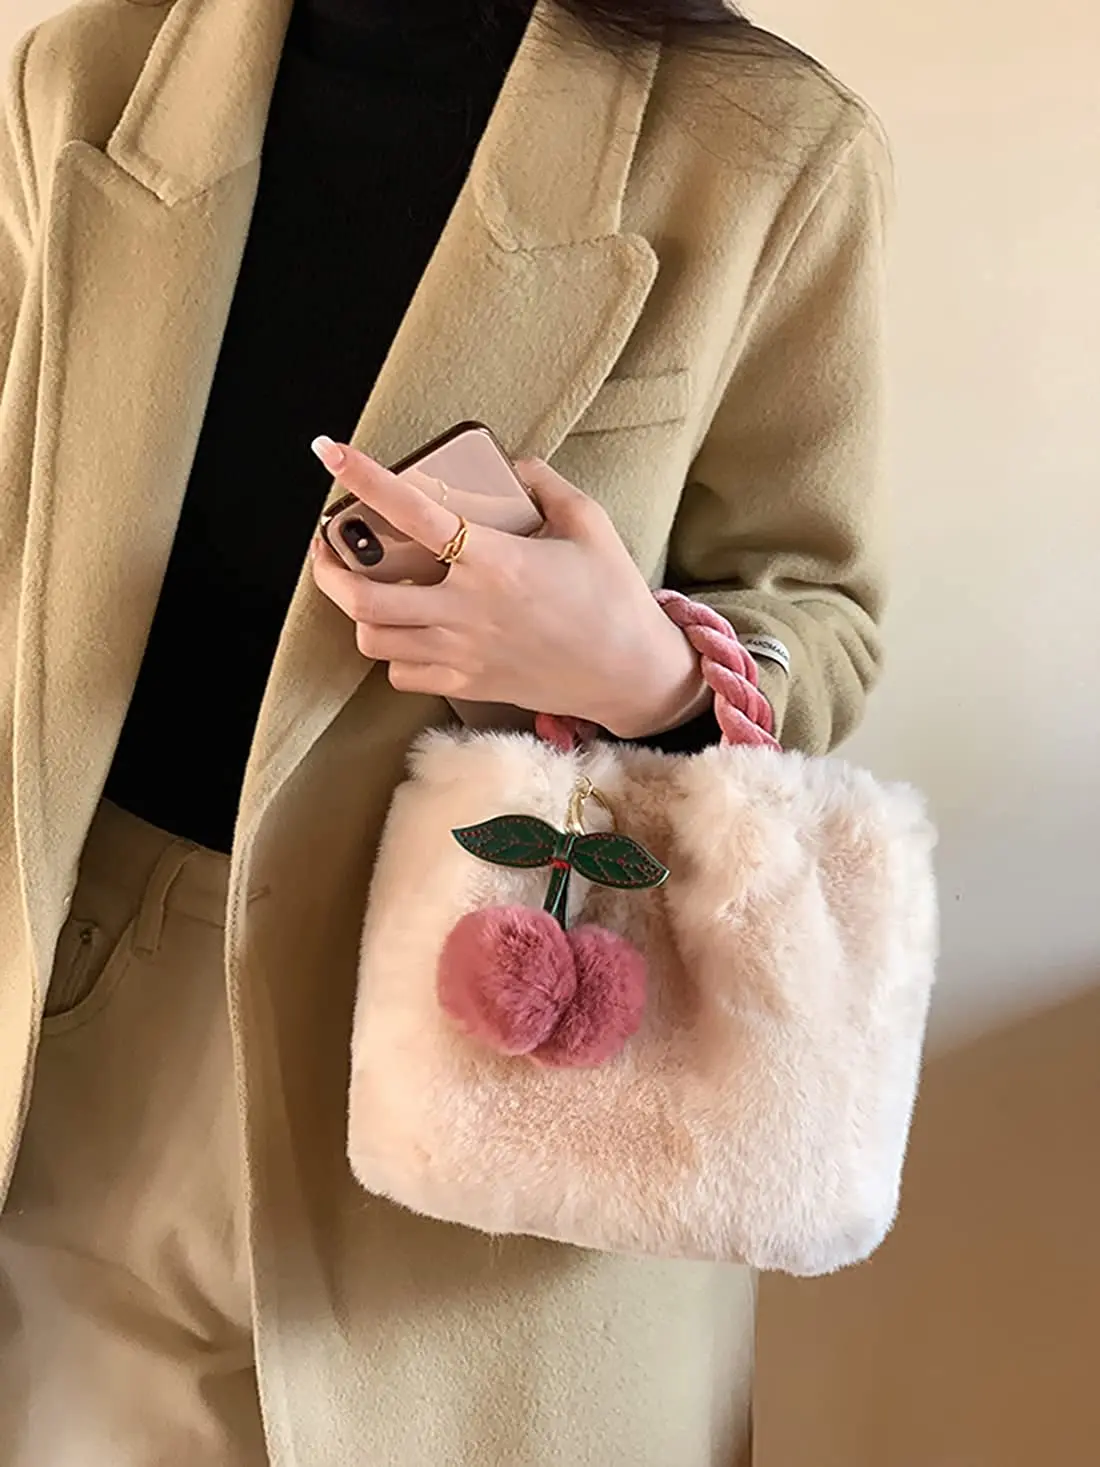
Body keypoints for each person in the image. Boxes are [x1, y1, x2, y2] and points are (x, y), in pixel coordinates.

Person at [0, 0, 890, 1460]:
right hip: (96, 1028)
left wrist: (650, 671)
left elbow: (821, 608)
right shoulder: (85, 80)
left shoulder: (765, 148)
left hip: (526, 1044)